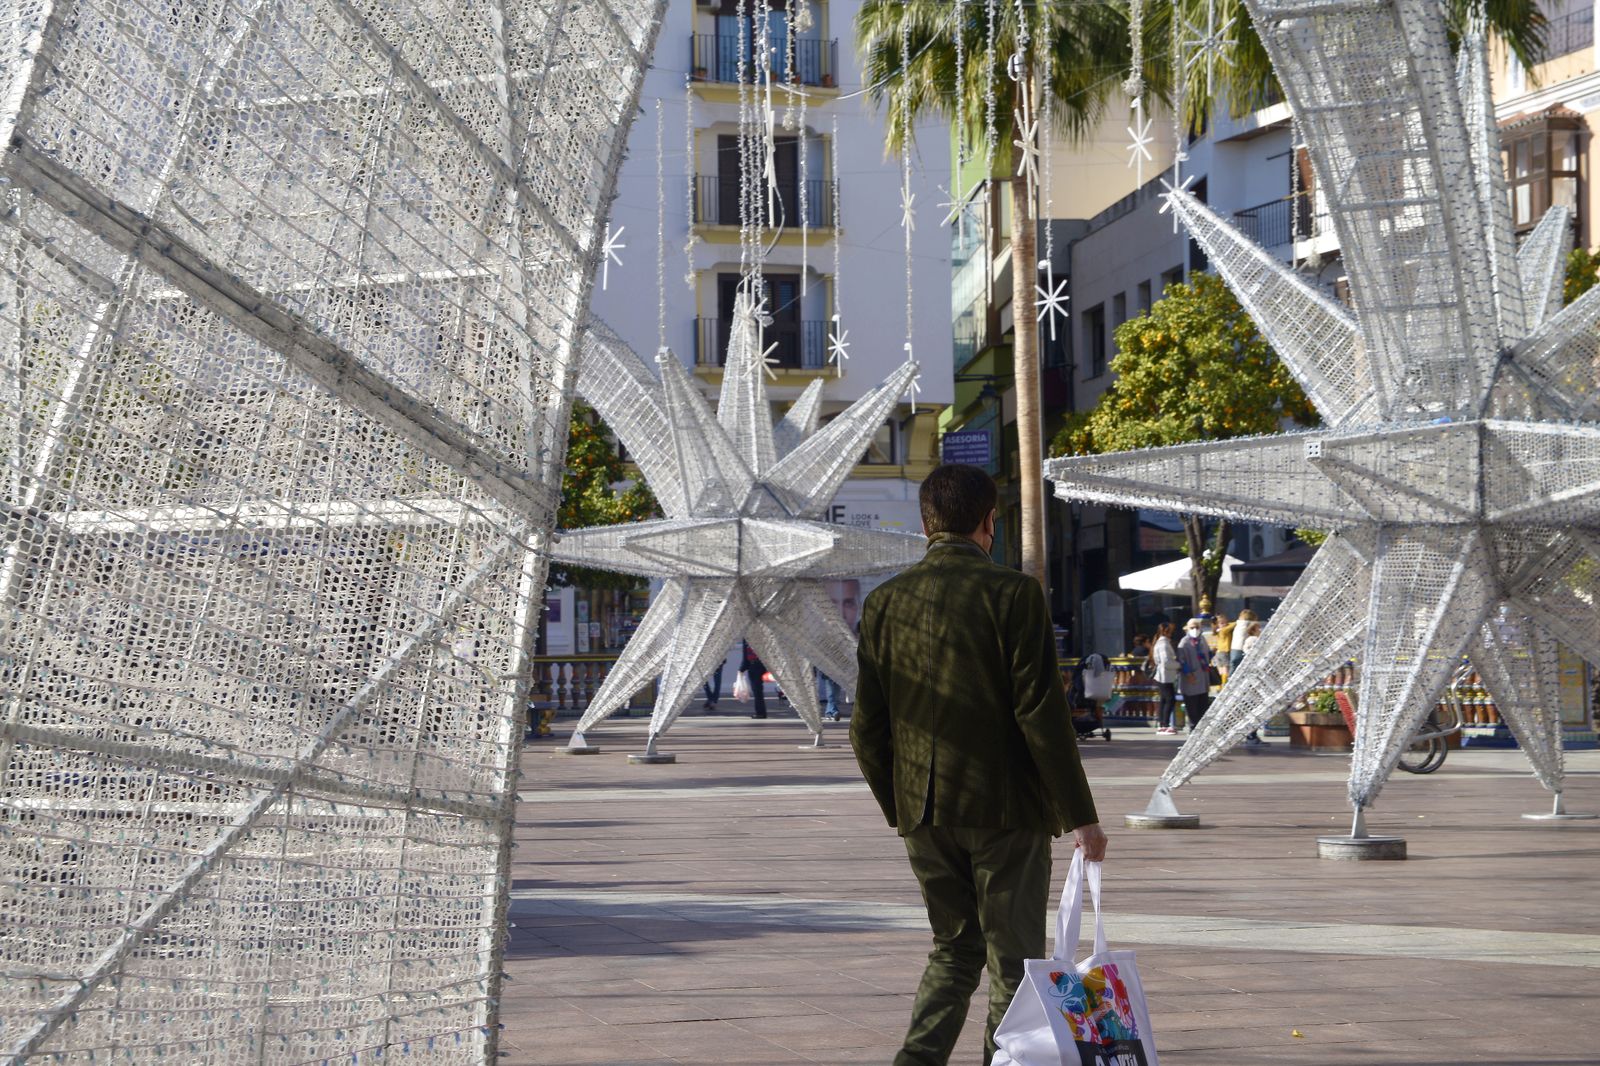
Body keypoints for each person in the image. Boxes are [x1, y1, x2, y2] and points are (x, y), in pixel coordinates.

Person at [851, 464, 1105, 1066]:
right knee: (1014, 964)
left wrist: (903, 806)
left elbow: (867, 727)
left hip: (924, 813)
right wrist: (1081, 817)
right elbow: (1040, 714)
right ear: (990, 523)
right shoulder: (1013, 594)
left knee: (953, 949)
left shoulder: (884, 602)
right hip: (1005, 810)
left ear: (925, 522)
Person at [1177, 618, 1212, 731]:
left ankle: (1202, 728)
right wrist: (1188, 674)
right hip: (1191, 679)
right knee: (1192, 705)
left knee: (1203, 704)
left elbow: (1207, 655)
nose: (1195, 629)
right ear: (1187, 628)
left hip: (1203, 677)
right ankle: (1193, 727)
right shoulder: (1184, 642)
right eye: (1192, 627)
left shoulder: (1202, 640)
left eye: (1197, 627)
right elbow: (1181, 661)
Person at [1150, 622, 1180, 734]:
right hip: (1165, 676)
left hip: (1164, 676)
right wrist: (1179, 665)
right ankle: (1165, 724)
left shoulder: (1161, 643)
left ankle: (1162, 723)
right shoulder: (1163, 644)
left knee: (1164, 700)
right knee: (1170, 699)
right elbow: (1166, 662)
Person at [742, 640, 768, 719]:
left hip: (755, 665)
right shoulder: (757, 636)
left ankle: (760, 712)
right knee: (757, 690)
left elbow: (745, 655)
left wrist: (742, 668)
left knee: (757, 690)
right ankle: (760, 712)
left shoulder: (747, 638)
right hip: (757, 664)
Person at [1211, 612, 1234, 683]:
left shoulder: (1219, 631)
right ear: (1217, 624)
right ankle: (1224, 685)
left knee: (1222, 671)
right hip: (1224, 652)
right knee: (1225, 670)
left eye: (1225, 622)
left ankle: (1222, 684)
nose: (1224, 624)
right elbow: (1234, 624)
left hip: (1220, 652)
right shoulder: (1223, 630)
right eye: (1221, 623)